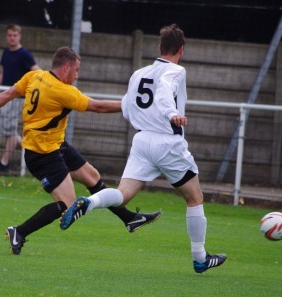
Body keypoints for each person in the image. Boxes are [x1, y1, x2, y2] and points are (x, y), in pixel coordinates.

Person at [60, 24, 227, 274]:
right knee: (194, 198)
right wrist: (172, 114)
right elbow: (162, 94)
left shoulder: (138, 73)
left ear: (159, 47)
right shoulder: (176, 70)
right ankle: (200, 257)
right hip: (167, 142)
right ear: (181, 50)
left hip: (142, 142)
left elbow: (128, 108)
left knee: (123, 195)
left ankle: (89, 202)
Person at [0, 46, 162, 255]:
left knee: (93, 177)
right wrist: (132, 105)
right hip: (42, 155)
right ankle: (19, 231)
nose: (77, 76)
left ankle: (130, 219)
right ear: (66, 67)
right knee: (68, 205)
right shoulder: (62, 91)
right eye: (76, 70)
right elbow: (98, 107)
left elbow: (8, 93)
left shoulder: (35, 76)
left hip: (57, 145)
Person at [0, 24, 40, 172]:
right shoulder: (6, 53)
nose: (12, 38)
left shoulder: (24, 54)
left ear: (19, 36)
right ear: (6, 36)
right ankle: (32, 149)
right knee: (6, 128)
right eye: (9, 35)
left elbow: (38, 72)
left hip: (17, 98)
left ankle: (4, 163)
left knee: (10, 129)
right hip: (4, 95)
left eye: (14, 35)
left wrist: (31, 90)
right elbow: (2, 73)